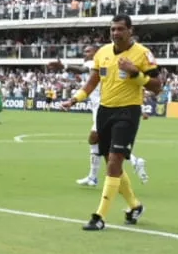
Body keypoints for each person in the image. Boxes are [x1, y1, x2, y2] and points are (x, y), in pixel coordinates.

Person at [62, 15, 163, 231]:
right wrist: (74, 99)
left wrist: (136, 74)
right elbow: (91, 83)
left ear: (130, 31)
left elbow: (157, 86)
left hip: (128, 112)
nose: (115, 33)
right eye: (112, 29)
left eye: (120, 29)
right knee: (112, 162)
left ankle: (99, 217)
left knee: (114, 161)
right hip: (104, 112)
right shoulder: (102, 53)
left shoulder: (143, 54)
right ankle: (135, 206)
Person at [69, 45, 147, 188]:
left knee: (98, 140)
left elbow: (83, 70)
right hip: (99, 108)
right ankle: (93, 177)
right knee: (97, 141)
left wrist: (65, 66)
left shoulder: (93, 62)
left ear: (96, 52)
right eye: (85, 51)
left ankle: (134, 161)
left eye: (88, 51)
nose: (85, 53)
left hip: (105, 108)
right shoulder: (101, 62)